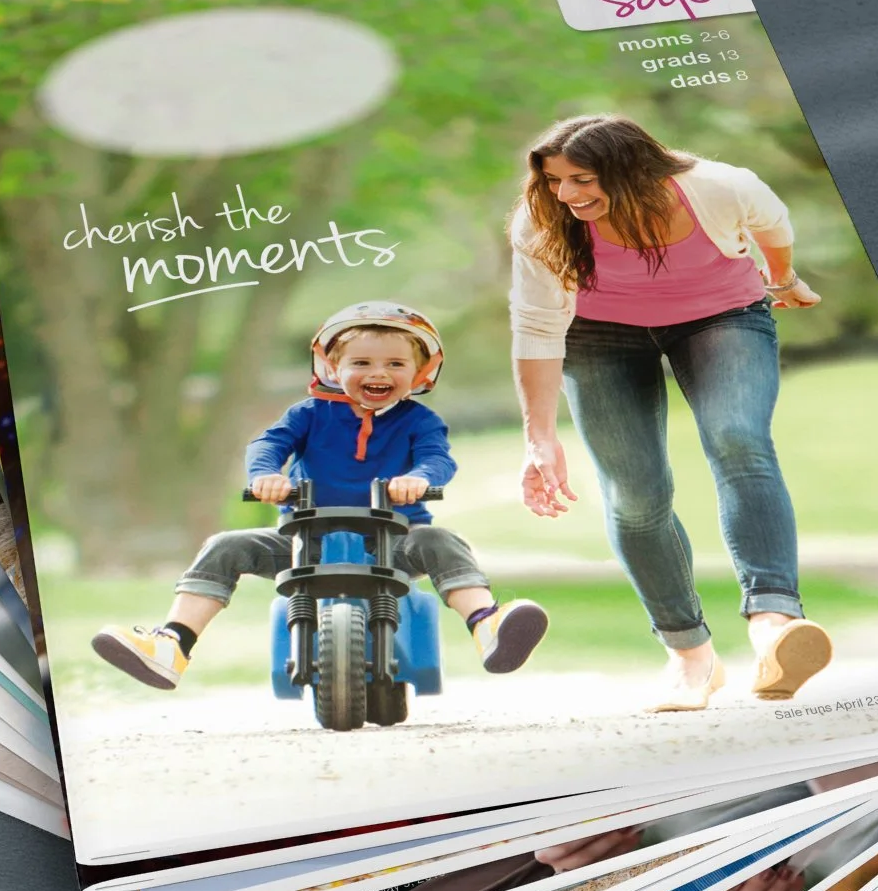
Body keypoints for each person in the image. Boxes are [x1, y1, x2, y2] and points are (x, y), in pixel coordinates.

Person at [507, 114, 833, 712]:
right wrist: (540, 438)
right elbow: (536, 327)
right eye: (556, 180)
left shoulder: (720, 186)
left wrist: (782, 278)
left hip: (723, 317)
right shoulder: (543, 221)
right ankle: (690, 657)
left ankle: (774, 626)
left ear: (633, 170)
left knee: (739, 439)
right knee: (634, 493)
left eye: (581, 178)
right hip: (598, 336)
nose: (566, 195)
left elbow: (772, 223)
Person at [92, 301, 549, 689]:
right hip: (301, 542)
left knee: (443, 542)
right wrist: (266, 474)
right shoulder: (309, 414)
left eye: (395, 364)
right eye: (362, 363)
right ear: (333, 367)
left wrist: (419, 477)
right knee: (224, 546)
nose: (379, 373)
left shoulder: (419, 420)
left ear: (420, 371)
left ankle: (486, 624)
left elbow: (438, 459)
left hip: (394, 540)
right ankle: (172, 644)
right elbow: (267, 444)